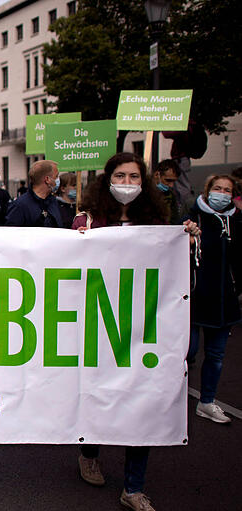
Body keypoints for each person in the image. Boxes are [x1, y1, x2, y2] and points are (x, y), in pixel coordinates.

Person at [72, 152, 199, 511]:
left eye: (133, 177)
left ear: (142, 183)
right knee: (98, 393)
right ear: (107, 179)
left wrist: (185, 238)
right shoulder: (89, 220)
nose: (126, 184)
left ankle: (133, 487)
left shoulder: (158, 222)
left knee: (142, 401)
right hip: (98, 325)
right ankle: (89, 451)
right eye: (120, 176)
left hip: (145, 327)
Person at [187, 174, 242, 424]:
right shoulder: (193, 216)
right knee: (188, 352)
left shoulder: (237, 221)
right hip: (194, 297)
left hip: (224, 301)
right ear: (208, 190)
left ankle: (207, 402)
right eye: (217, 188)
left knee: (216, 356)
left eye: (227, 190)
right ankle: (172, 401)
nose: (222, 193)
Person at [5, 160, 64, 228]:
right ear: (47, 179)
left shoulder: (53, 201)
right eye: (56, 176)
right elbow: (11, 234)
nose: (58, 180)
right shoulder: (20, 205)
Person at [152, 159, 184, 224]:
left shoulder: (171, 196)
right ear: (156, 175)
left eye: (173, 181)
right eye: (168, 180)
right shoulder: (142, 193)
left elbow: (175, 220)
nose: (171, 185)